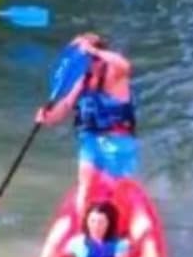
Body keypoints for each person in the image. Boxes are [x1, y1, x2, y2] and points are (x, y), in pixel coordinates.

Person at [36, 34, 140, 216]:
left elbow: (125, 65)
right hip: (90, 139)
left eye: (84, 58)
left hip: (118, 138)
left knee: (120, 189)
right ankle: (84, 226)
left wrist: (94, 51)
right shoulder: (83, 80)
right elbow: (66, 104)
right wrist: (48, 118)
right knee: (85, 187)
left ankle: (120, 223)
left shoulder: (115, 73)